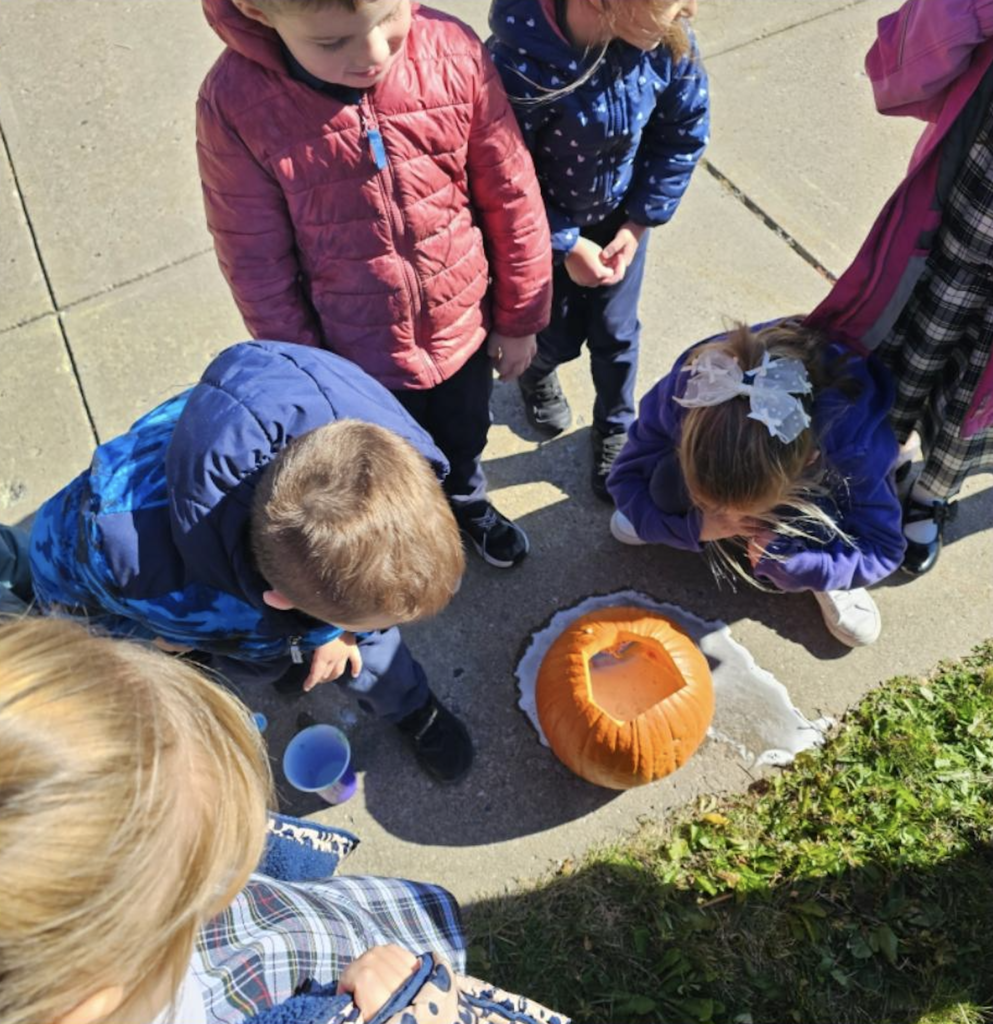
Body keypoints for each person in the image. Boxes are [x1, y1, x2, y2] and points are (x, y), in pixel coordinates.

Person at [0, 616, 569, 1024]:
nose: (234, 871)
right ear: (90, 998)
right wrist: (410, 1009)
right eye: (210, 873)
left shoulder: (106, 945)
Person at [196, 0, 553, 569]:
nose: (373, 54)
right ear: (258, 12)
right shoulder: (237, 104)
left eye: (388, 18)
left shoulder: (451, 50)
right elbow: (254, 260)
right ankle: (409, 530)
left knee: (463, 438)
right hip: (355, 356)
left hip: (460, 327)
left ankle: (466, 502)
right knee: (385, 463)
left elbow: (511, 192)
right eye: (333, 43)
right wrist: (314, 379)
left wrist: (520, 318)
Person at [29, 341, 473, 783]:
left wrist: (342, 632)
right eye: (366, 623)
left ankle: (414, 709)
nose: (370, 628)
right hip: (219, 615)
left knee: (372, 660)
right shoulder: (128, 555)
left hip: (296, 594)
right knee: (259, 661)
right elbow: (69, 597)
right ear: (281, 600)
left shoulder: (384, 443)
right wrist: (154, 640)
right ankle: (281, 661)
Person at [488, 0, 709, 499]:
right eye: (672, 2)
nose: (688, 10)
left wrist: (638, 224)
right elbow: (504, 176)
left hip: (618, 224)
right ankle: (537, 374)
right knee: (554, 336)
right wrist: (565, 243)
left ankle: (615, 424)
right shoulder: (519, 64)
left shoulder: (668, 40)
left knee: (616, 332)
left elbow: (682, 132)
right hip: (541, 231)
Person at [807, 0, 993, 575]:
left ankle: (932, 495)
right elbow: (896, 63)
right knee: (911, 352)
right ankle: (873, 469)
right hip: (966, 221)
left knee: (977, 391)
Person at [606, 320, 907, 647]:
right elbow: (625, 477)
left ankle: (827, 568)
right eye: (711, 503)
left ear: (808, 461)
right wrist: (696, 526)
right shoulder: (693, 389)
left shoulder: (856, 448)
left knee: (828, 522)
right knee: (661, 489)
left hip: (827, 470)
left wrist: (805, 566)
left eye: (742, 510)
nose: (730, 519)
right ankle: (669, 514)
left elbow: (884, 550)